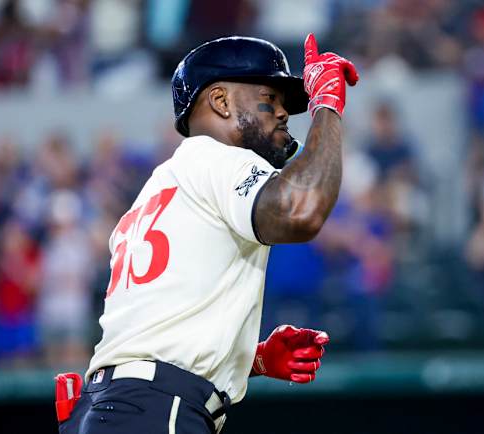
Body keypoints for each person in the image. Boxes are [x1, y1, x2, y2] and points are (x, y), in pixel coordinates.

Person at [54, 33, 358, 434]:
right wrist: (326, 106)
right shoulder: (216, 159)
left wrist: (252, 358)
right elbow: (301, 211)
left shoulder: (162, 187)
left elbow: (159, 334)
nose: (284, 113)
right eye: (270, 97)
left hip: (111, 409)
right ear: (221, 101)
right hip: (154, 410)